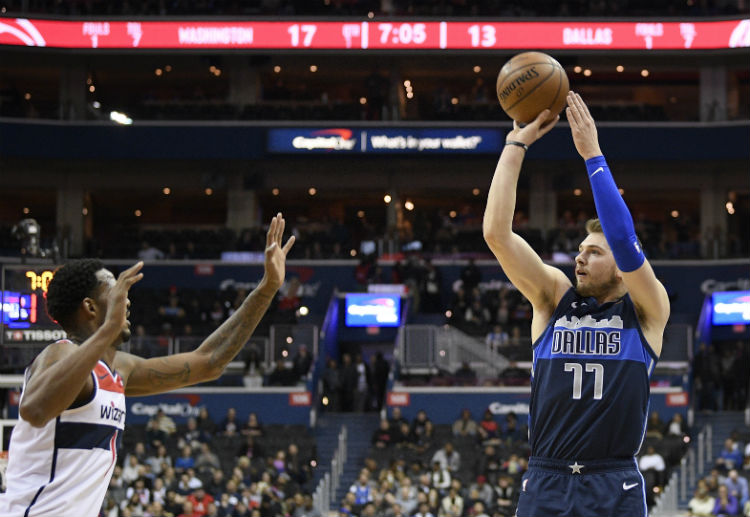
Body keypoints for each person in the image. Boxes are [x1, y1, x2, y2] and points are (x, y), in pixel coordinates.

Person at [0, 214, 294, 517]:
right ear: (90, 307)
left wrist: (267, 288)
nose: (125, 301)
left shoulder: (119, 370)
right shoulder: (59, 354)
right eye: (115, 291)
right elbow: (34, 410)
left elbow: (210, 362)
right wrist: (106, 331)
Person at [482, 92, 670, 517]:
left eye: (594, 252)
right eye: (580, 249)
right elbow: (496, 232)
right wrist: (515, 147)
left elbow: (623, 240)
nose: (580, 257)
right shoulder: (553, 297)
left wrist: (592, 155)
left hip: (613, 481)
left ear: (621, 268)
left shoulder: (646, 310)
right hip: (546, 478)